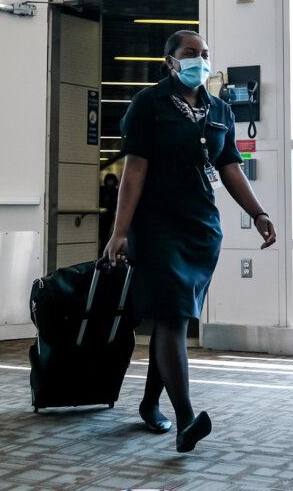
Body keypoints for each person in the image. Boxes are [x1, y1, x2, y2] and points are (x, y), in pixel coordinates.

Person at [103, 29, 276, 453]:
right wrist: (119, 231)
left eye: (204, 53)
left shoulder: (219, 108)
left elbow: (230, 166)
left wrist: (258, 213)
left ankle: (149, 404)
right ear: (170, 61)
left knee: (172, 319)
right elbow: (134, 171)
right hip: (157, 226)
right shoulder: (149, 104)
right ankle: (185, 419)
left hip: (200, 230)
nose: (199, 60)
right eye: (189, 53)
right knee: (174, 317)